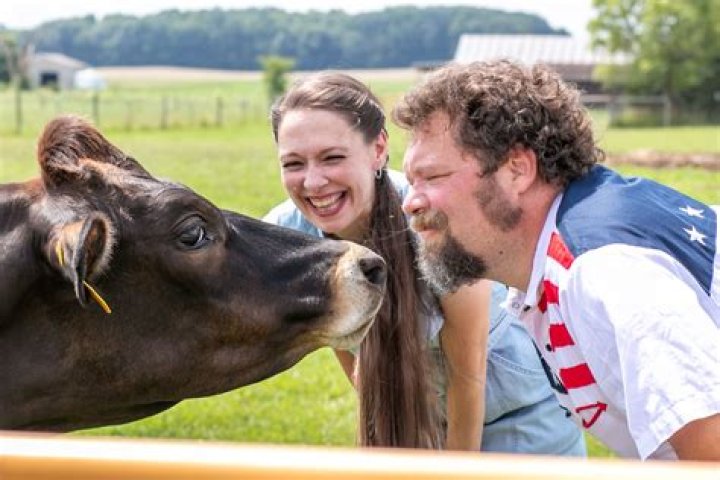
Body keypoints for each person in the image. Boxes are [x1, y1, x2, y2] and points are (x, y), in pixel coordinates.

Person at [393, 59, 720, 461]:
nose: (410, 202)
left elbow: (712, 457)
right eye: (411, 181)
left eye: (433, 177)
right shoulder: (568, 249)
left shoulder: (602, 271)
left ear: (517, 170)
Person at [263, 71, 585, 454]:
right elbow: (341, 339)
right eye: (293, 164)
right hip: (420, 418)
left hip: (520, 419)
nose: (313, 183)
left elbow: (468, 375)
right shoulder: (288, 236)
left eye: (332, 158)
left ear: (378, 149)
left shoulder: (435, 218)